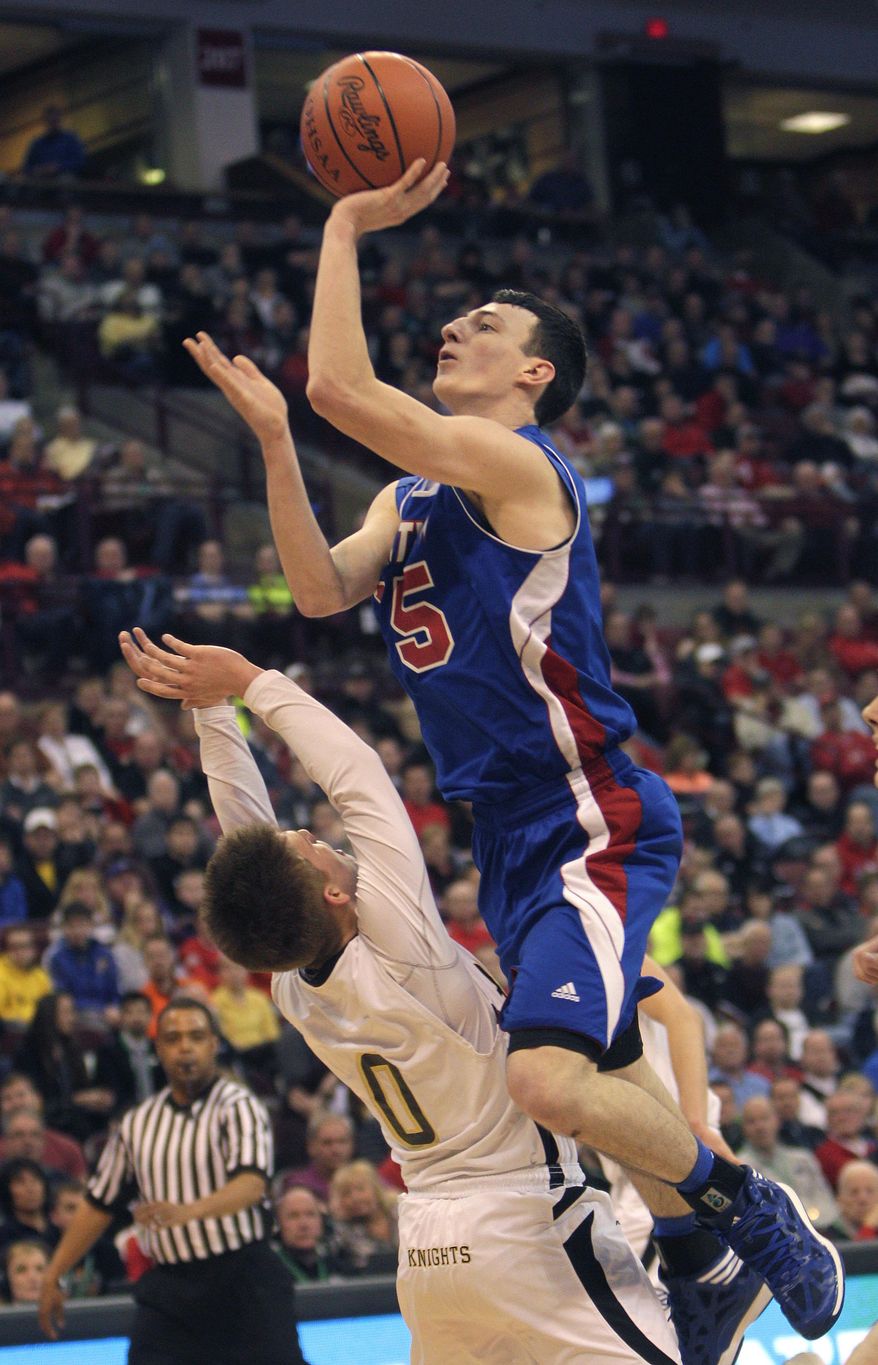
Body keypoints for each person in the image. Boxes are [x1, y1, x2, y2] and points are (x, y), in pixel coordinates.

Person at [183, 167, 843, 1344]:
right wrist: (279, 447)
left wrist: (341, 224)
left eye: (484, 325)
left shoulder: (526, 470)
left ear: (536, 375)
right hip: (506, 835)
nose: (454, 327)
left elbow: (339, 379)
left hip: (588, 811)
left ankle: (747, 1210)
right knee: (596, 1065)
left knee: (541, 1080)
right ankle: (698, 1259)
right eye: (460, 317)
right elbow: (322, 586)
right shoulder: (413, 492)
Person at [122, 629, 764, 1365]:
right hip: (525, 1221)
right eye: (311, 844)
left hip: (427, 1244)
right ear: (333, 891)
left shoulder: (292, 982)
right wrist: (252, 681)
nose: (310, 832)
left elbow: (248, 841)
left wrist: (211, 712)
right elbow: (359, 776)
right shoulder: (402, 951)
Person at [39, 997, 306, 1365]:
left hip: (244, 1281)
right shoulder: (139, 1123)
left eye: (196, 1036)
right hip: (172, 1285)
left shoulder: (239, 1105)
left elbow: (251, 1184)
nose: (185, 1047)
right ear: (158, 1048)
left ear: (213, 1044)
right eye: (173, 1038)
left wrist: (189, 1211)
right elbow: (98, 1203)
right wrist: (54, 1273)